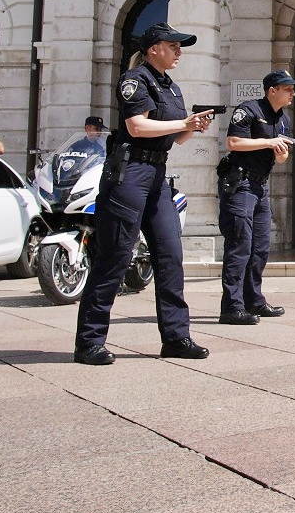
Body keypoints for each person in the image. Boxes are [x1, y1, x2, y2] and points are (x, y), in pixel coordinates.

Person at [74, 24, 216, 365]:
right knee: (115, 256)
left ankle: (176, 337)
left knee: (170, 255)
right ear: (153, 49)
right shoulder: (135, 80)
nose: (179, 51)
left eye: (180, 47)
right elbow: (137, 126)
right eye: (173, 45)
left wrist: (193, 127)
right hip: (129, 174)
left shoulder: (171, 86)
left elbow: (174, 137)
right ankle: (89, 342)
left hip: (156, 175)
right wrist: (183, 124)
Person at [218, 70, 295, 325]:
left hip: (260, 186)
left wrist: (281, 150)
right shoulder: (249, 110)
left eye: (293, 89)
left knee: (260, 247)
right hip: (240, 183)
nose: (293, 93)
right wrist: (269, 142)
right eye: (288, 88)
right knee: (239, 245)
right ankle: (232, 307)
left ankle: (253, 300)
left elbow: (281, 158)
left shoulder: (283, 119)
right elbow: (233, 142)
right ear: (272, 90)